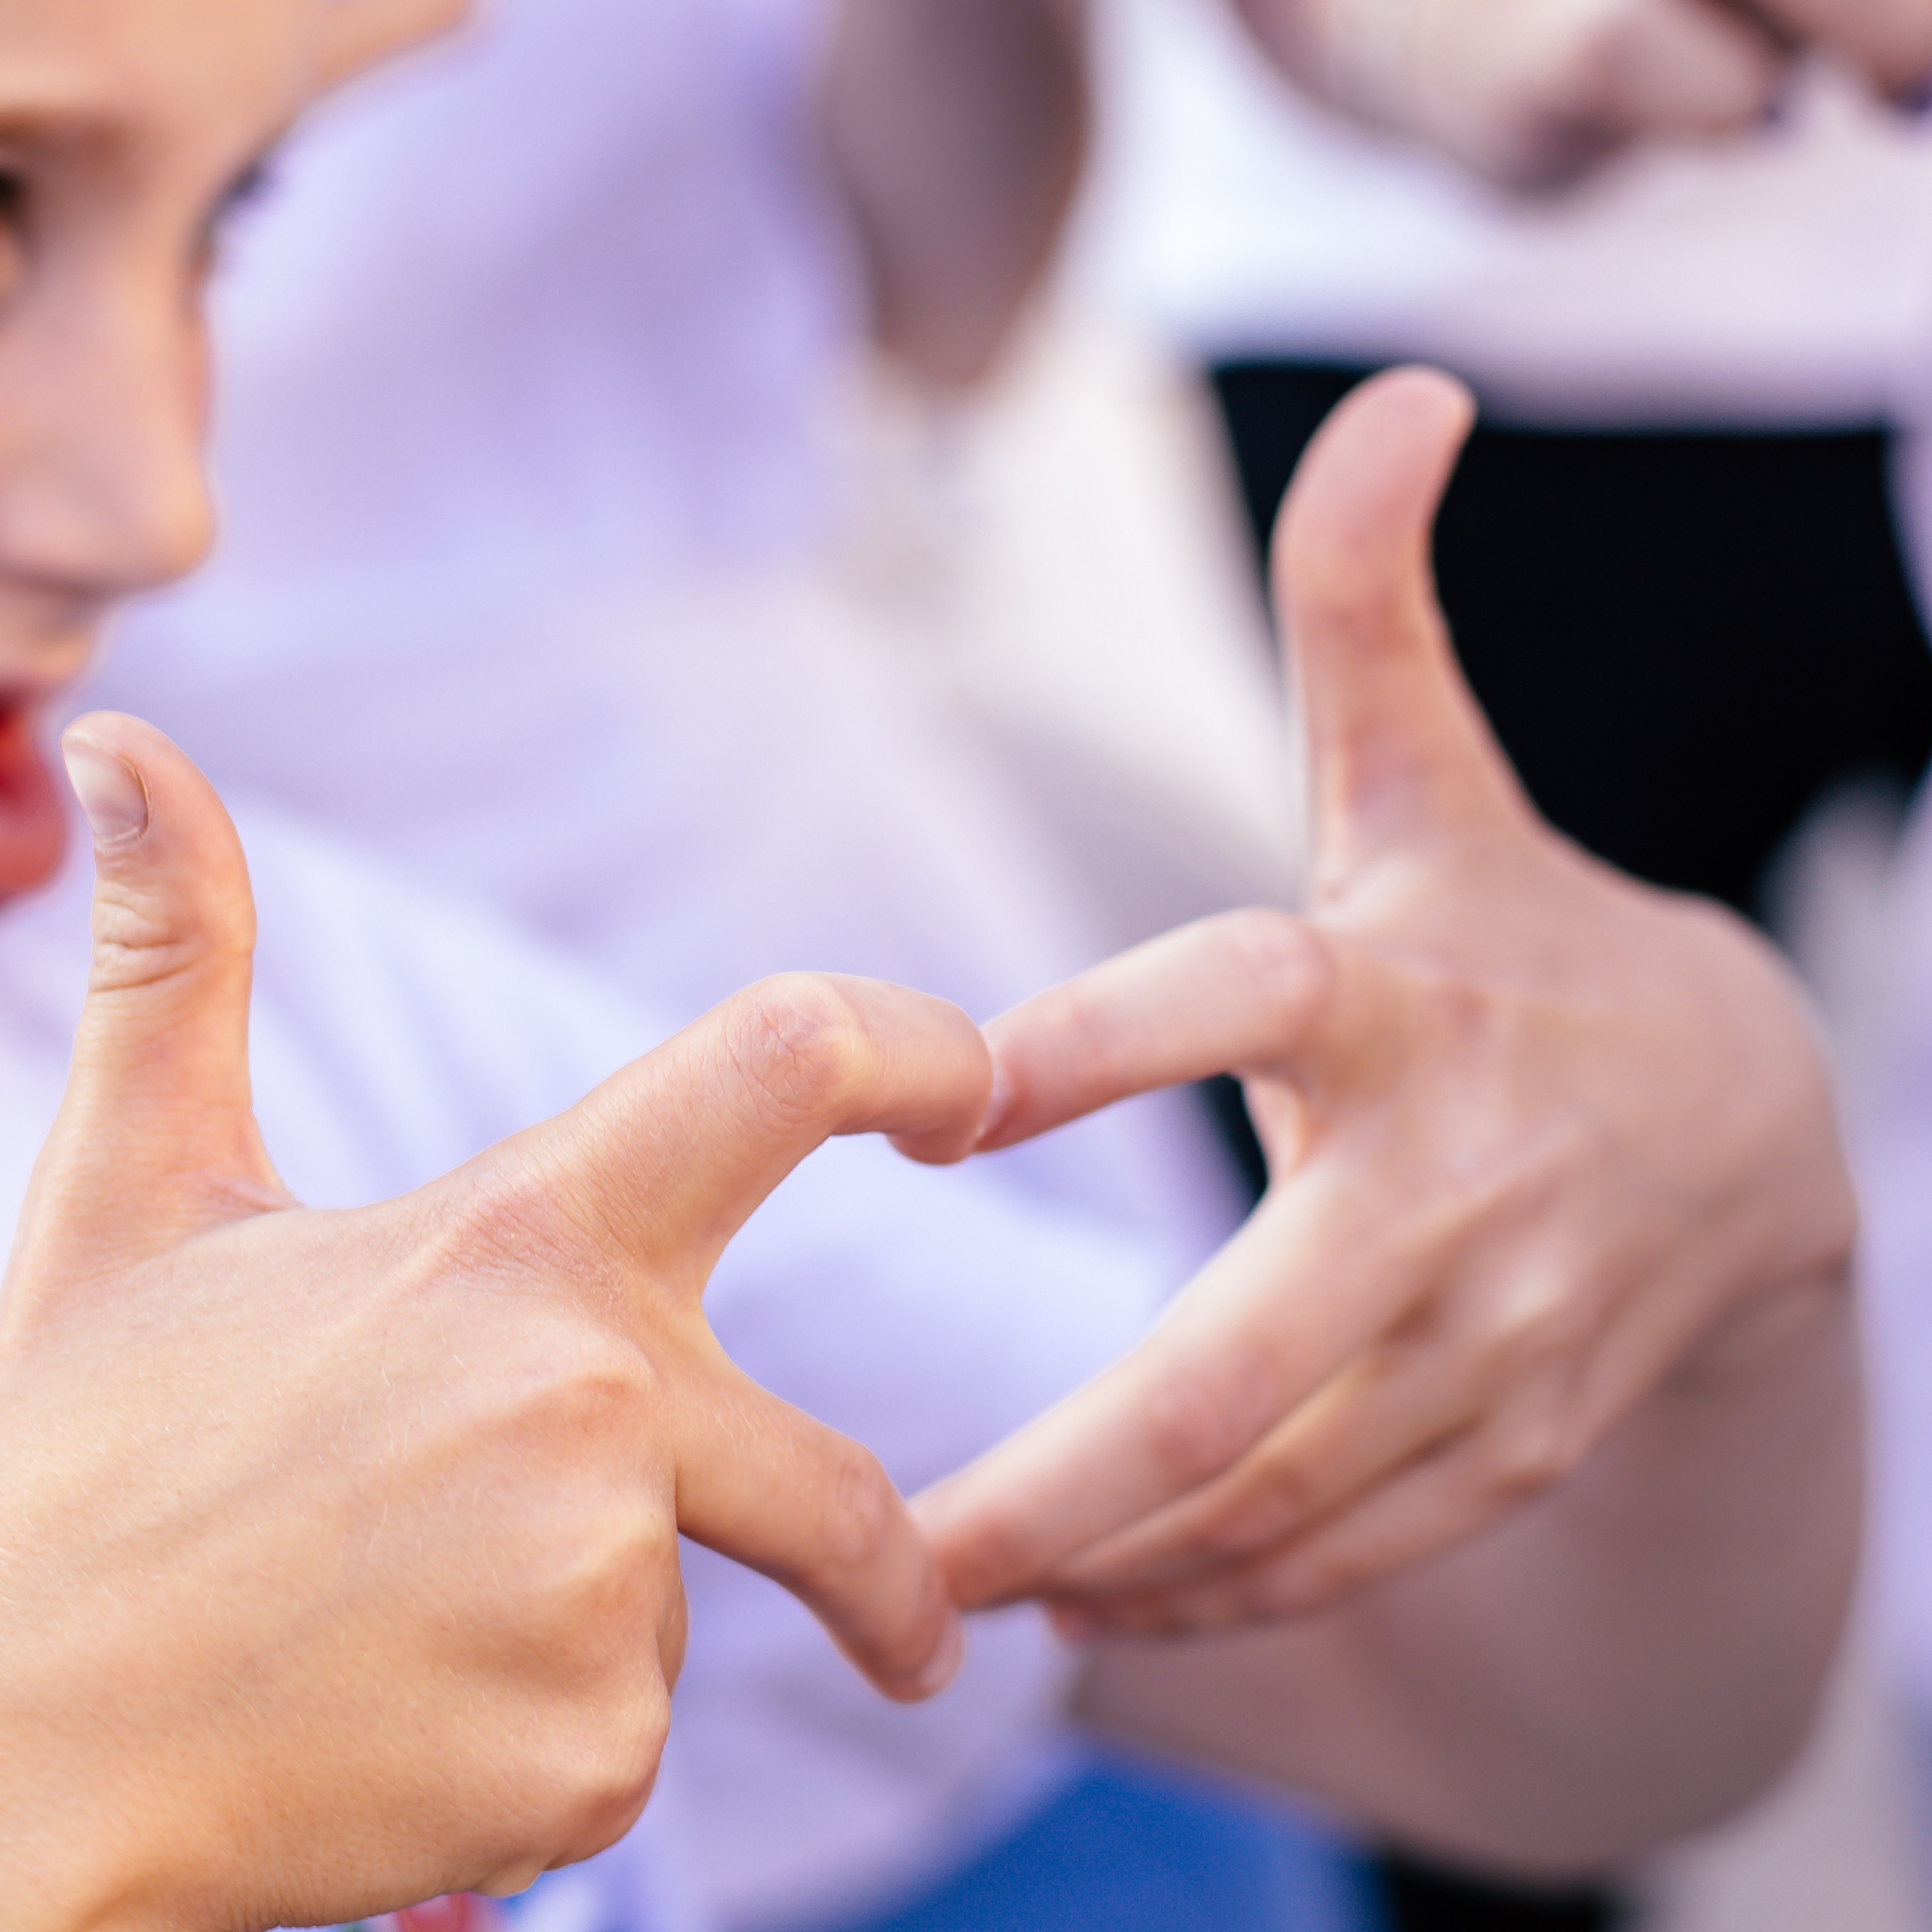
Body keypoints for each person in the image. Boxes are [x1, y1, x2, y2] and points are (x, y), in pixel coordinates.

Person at [0, 5, 1867, 1932]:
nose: (157, 506)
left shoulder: (332, 1029)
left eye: (227, 222)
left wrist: (1745, 1262)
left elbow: (1532, 1704)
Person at [0, 5, 992, 1925]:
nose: (158, 509)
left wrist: (1698, 1281)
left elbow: (1471, 1664)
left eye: (220, 231)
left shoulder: (275, 1002)